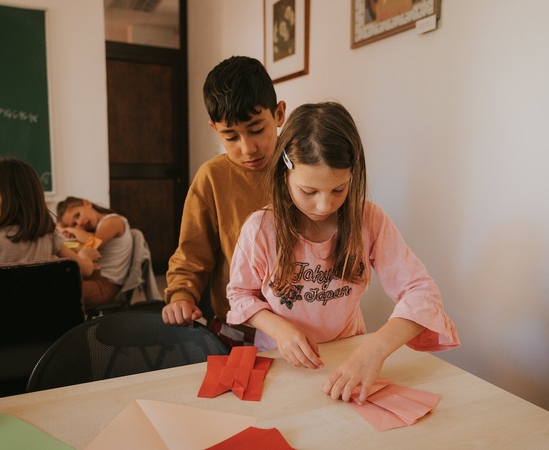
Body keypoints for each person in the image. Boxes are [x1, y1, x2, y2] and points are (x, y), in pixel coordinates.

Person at [226, 101, 460, 403]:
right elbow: (240, 295)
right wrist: (281, 330)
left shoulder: (369, 221)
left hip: (350, 358)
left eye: (339, 189)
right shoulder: (260, 228)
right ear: (285, 176)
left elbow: (422, 294)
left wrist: (376, 348)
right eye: (309, 192)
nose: (324, 206)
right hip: (279, 364)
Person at [162, 55, 286, 345]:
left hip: (306, 327)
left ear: (279, 114)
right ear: (214, 129)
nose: (247, 148)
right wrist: (181, 295)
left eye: (257, 129)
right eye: (230, 136)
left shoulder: (304, 165)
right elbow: (191, 255)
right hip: (238, 331)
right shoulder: (212, 178)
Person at [0, 157, 97, 277]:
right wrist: (85, 255)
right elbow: (86, 270)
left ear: (4, 200)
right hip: (38, 313)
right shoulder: (49, 236)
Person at [56, 196, 133, 306]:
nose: (80, 223)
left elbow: (92, 243)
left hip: (106, 286)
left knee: (59, 290)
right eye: (74, 223)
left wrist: (69, 229)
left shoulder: (113, 221)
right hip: (95, 278)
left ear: (87, 203)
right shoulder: (97, 227)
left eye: (78, 215)